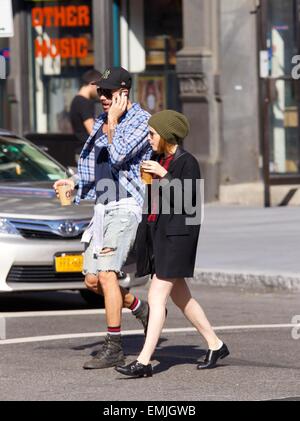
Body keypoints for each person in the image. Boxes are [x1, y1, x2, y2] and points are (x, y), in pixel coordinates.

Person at [115, 110, 230, 378]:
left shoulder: (186, 162)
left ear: (167, 135)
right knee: (181, 297)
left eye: (152, 134)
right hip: (159, 235)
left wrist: (163, 176)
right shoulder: (157, 158)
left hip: (177, 238)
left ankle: (144, 361)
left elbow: (189, 202)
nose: (149, 138)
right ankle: (216, 345)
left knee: (156, 297)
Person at [54, 67, 152, 370]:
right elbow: (94, 165)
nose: (103, 98)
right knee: (93, 280)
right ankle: (139, 307)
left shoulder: (140, 121)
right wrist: (74, 184)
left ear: (124, 92)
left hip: (125, 205)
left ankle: (114, 346)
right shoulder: (100, 121)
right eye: (100, 93)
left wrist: (111, 123)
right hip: (102, 207)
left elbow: (120, 153)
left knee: (108, 274)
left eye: (108, 93)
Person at [70, 69, 102, 159]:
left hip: (82, 151)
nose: (100, 91)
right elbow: (92, 130)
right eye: (98, 87)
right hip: (86, 153)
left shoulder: (76, 100)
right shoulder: (83, 103)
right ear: (92, 84)